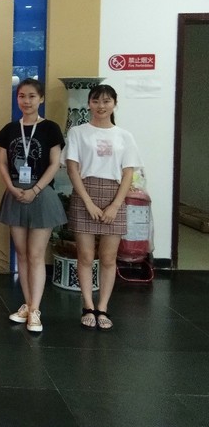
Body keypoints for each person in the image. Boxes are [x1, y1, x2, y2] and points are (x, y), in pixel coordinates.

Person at [66, 83, 142, 330]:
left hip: (114, 195)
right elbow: (72, 168)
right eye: (96, 101)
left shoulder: (125, 136)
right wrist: (87, 202)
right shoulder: (78, 132)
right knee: (86, 256)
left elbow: (128, 173)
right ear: (89, 103)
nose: (101, 106)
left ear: (114, 104)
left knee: (109, 258)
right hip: (84, 193)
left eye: (107, 101)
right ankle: (88, 305)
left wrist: (115, 205)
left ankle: (103, 307)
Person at [0, 78, 66, 332]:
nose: (26, 101)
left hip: (41, 194)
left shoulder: (50, 128)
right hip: (15, 193)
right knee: (22, 254)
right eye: (22, 96)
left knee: (36, 255)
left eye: (32, 96)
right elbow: (2, 163)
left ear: (41, 99)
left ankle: (35, 309)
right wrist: (12, 187)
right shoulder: (10, 129)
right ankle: (27, 304)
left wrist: (35, 190)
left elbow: (55, 163)